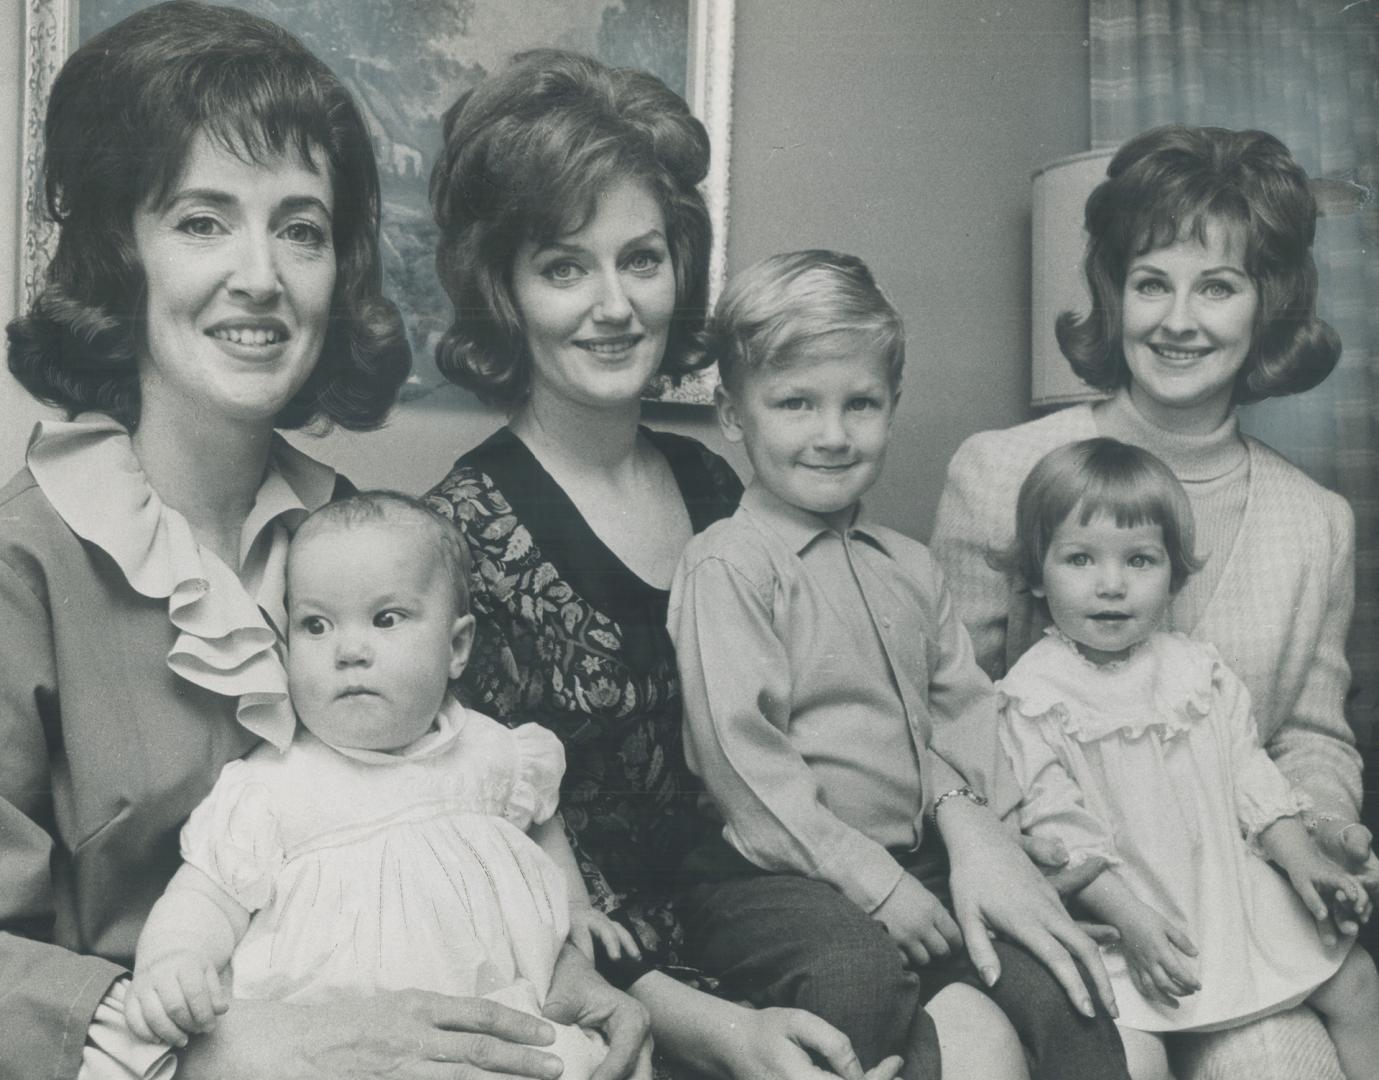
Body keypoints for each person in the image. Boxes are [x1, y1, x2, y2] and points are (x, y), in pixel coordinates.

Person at [0, 7, 644, 1080]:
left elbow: (469, 824)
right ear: (123, 252)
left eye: (300, 228)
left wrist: (575, 980)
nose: (262, 275)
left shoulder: (366, 545)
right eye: (203, 221)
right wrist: (216, 1050)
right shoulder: (26, 563)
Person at [425, 50, 903, 1080]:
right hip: (611, 996)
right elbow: (485, 879)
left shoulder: (723, 490)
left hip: (784, 921)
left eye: (639, 259)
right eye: (562, 266)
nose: (613, 305)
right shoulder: (455, 538)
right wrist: (722, 1035)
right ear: (503, 289)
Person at [931, 124, 1377, 1080]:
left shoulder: (1316, 522)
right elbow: (941, 719)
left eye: (1216, 286)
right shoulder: (999, 470)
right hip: (1061, 914)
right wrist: (1033, 869)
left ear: (1270, 307)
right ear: (1112, 296)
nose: (1178, 320)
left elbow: (1309, 736)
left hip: (1237, 911)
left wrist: (1321, 833)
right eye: (1150, 282)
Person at [668, 249, 1129, 1080]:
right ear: (733, 413)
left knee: (1066, 986)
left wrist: (1014, 848)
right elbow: (745, 766)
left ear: (892, 406)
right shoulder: (730, 564)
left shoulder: (910, 566)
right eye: (795, 403)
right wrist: (874, 885)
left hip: (920, 859)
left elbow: (966, 720)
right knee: (856, 975)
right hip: (767, 875)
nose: (832, 433)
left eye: (861, 403)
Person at [127, 493, 615, 1078]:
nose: (349, 650)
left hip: (502, 1020)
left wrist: (575, 905)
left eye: (386, 619)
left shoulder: (492, 751)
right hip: (344, 1045)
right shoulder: (272, 786)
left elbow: (539, 820)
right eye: (316, 625)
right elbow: (206, 895)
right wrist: (174, 960)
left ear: (457, 647)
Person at [996, 438, 1379, 1080]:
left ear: (1174, 572)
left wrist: (1303, 856)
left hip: (1228, 893)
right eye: (1080, 559)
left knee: (1358, 980)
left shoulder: (1196, 671)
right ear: (1037, 572)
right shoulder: (1032, 697)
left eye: (1140, 560)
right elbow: (1060, 833)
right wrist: (1132, 921)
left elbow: (1251, 778)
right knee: (1126, 1055)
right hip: (1127, 911)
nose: (1111, 585)